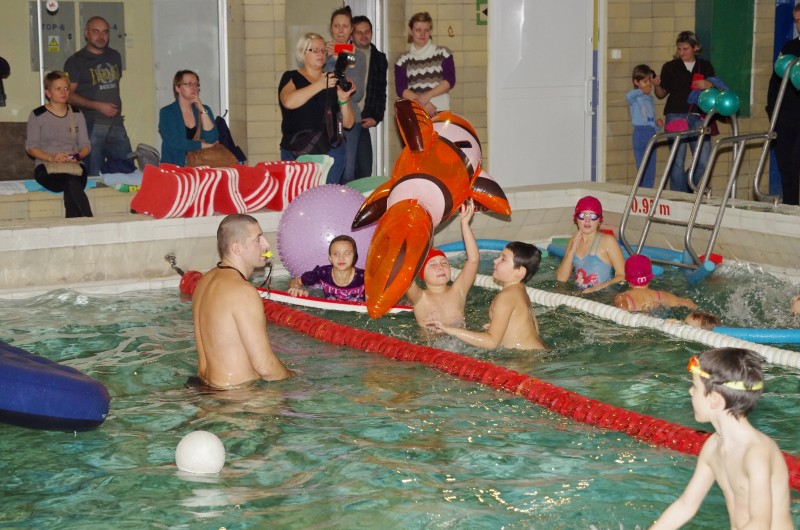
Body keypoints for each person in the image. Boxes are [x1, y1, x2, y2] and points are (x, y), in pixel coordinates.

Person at [649, 348, 793, 529]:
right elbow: (685, 506)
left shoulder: (756, 453)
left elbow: (760, 523)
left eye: (695, 387)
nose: (690, 392)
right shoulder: (713, 446)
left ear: (714, 399)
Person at [192, 214, 292, 389]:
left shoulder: (204, 281)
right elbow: (266, 368)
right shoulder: (243, 292)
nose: (266, 245)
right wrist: (294, 377)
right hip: (239, 397)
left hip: (203, 388)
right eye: (258, 239)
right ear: (237, 248)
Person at [430, 241, 546, 351]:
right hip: (537, 352)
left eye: (503, 259)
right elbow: (533, 330)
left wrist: (450, 330)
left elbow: (491, 342)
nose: (495, 261)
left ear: (519, 272)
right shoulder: (520, 292)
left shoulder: (506, 297)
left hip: (524, 360)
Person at [279, 32, 356, 185]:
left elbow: (348, 124)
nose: (320, 54)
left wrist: (343, 100)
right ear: (302, 53)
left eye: (323, 50)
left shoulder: (333, 80)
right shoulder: (292, 77)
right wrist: (320, 85)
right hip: (297, 151)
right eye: (314, 50)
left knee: (327, 197)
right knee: (299, 197)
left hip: (331, 152)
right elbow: (288, 102)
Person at [64, 16, 133, 177]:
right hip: (90, 125)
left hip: (116, 124)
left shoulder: (115, 56)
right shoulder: (75, 61)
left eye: (105, 32)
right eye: (96, 31)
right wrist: (97, 105)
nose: (101, 36)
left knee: (128, 170)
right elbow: (67, 95)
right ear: (86, 33)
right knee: (94, 175)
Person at [653, 31, 715, 193]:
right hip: (675, 115)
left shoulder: (705, 66)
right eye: (679, 48)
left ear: (696, 48)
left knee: (704, 160)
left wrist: (709, 85)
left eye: (685, 49)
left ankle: (685, 190)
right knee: (677, 161)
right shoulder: (670, 67)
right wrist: (657, 85)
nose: (681, 52)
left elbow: (716, 90)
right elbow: (661, 94)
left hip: (699, 116)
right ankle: (678, 196)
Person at [25, 71, 93, 218]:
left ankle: (76, 224)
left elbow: (86, 145)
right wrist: (51, 157)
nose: (63, 92)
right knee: (71, 183)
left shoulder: (77, 114)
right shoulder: (37, 115)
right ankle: (88, 221)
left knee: (72, 183)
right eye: (58, 89)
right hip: (46, 167)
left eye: (66, 88)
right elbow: (31, 147)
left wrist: (78, 156)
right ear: (48, 93)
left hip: (74, 167)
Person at [406, 201, 478, 328]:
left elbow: (473, 260)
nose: (440, 267)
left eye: (444, 263)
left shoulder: (458, 291)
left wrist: (465, 224)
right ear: (421, 274)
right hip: (430, 341)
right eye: (432, 265)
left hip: (459, 339)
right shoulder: (419, 297)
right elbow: (405, 275)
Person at [323, 6, 366, 184]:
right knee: (327, 171)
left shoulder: (358, 56)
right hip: (326, 118)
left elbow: (357, 94)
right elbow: (323, 87)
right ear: (331, 28)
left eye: (345, 26)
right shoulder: (321, 53)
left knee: (348, 172)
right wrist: (330, 58)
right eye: (336, 26)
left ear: (351, 29)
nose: (340, 30)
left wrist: (349, 61)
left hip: (350, 118)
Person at [766, 4, 800, 206]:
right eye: (797, 21)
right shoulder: (789, 48)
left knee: (796, 162)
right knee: (786, 163)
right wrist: (771, 111)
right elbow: (775, 81)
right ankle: (790, 206)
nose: (799, 25)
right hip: (785, 115)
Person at [556, 196, 626, 293]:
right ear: (576, 218)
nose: (587, 220)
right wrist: (571, 251)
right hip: (579, 295)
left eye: (593, 216)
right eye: (582, 215)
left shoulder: (607, 242)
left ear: (599, 220)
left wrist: (595, 288)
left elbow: (622, 276)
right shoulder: (573, 241)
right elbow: (561, 279)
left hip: (602, 296)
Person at [395, 12, 455, 116]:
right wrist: (423, 104)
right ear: (411, 31)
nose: (422, 34)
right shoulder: (402, 60)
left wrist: (427, 96)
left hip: (441, 111)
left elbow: (450, 80)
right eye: (418, 30)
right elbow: (401, 89)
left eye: (426, 30)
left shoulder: (444, 53)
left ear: (430, 31)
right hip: (416, 113)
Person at [352, 15, 388, 180]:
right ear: (352, 34)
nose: (364, 36)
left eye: (367, 31)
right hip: (344, 120)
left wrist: (377, 116)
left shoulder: (379, 58)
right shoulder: (343, 53)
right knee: (347, 170)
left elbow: (381, 91)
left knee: (365, 170)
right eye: (359, 32)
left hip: (363, 120)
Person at [158, 70, 219, 166]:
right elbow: (175, 142)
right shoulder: (167, 112)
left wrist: (202, 110)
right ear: (178, 88)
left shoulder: (205, 109)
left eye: (196, 84)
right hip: (175, 166)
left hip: (201, 165)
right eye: (189, 84)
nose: (194, 88)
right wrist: (202, 145)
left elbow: (212, 139)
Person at [287, 235, 365, 302]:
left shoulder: (364, 277)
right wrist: (297, 288)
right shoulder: (323, 273)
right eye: (336, 254)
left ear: (354, 257)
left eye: (347, 253)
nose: (341, 258)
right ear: (330, 258)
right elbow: (296, 281)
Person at [613, 254, 697, 311]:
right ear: (650, 276)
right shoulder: (660, 295)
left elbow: (621, 313)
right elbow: (687, 303)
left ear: (627, 277)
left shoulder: (622, 297)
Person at [626, 64, 663, 188]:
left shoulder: (650, 99)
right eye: (645, 81)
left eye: (649, 82)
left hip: (650, 132)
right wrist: (641, 91)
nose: (648, 85)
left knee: (651, 167)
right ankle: (642, 190)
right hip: (640, 132)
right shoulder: (635, 98)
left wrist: (657, 124)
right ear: (636, 82)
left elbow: (650, 118)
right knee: (642, 165)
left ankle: (649, 190)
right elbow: (628, 96)